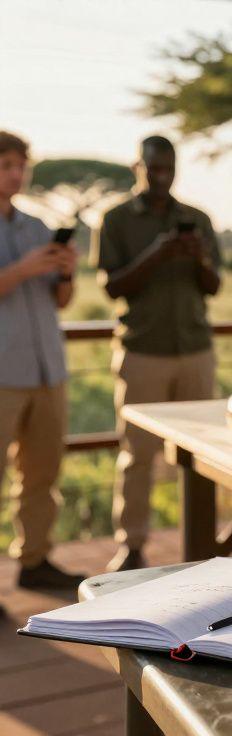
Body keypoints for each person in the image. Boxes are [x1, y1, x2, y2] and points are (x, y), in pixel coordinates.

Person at [94, 136, 222, 572]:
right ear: (138, 167)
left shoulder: (198, 219)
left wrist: (199, 258)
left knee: (205, 454)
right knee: (137, 455)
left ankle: (205, 543)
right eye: (155, 169)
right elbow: (111, 286)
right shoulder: (114, 220)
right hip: (143, 350)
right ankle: (131, 545)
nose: (163, 176)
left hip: (195, 349)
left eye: (169, 168)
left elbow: (214, 286)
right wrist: (157, 254)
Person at [0, 130, 81, 588]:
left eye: (19, 165)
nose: (15, 173)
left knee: (42, 474)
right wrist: (23, 269)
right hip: (3, 373)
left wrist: (64, 270)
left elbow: (63, 301)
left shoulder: (36, 226)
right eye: (6, 164)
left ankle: (34, 562)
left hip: (49, 369)